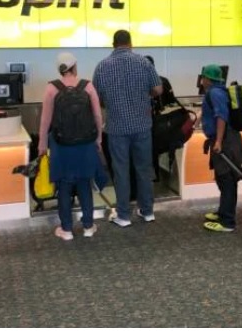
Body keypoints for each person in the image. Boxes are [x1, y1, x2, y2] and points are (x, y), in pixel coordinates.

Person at [93, 30, 162, 227]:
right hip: (142, 125)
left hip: (116, 128)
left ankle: (123, 216)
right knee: (144, 169)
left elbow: (96, 97)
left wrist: (109, 103)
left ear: (113, 44)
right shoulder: (143, 62)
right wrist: (144, 95)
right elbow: (158, 89)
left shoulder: (102, 66)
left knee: (121, 171)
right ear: (130, 43)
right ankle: (147, 211)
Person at [38, 52, 104, 241]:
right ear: (74, 66)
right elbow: (97, 115)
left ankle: (66, 229)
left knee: (64, 186)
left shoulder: (51, 88)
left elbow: (45, 120)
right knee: (84, 183)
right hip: (85, 145)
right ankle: (88, 226)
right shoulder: (87, 86)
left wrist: (42, 144)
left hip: (61, 146)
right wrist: (98, 138)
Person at [199, 65, 242, 232]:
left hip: (226, 141)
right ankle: (223, 212)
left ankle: (227, 222)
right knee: (222, 178)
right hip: (226, 139)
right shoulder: (217, 92)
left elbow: (221, 117)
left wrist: (218, 141)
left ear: (208, 79)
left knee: (227, 180)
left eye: (203, 77)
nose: (201, 80)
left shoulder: (215, 93)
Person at [145, 55, 177, 182]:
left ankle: (154, 174)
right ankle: (158, 174)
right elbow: (172, 101)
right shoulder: (162, 80)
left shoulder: (140, 83)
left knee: (151, 148)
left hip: (149, 121)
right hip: (162, 121)